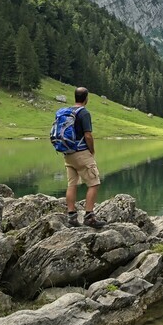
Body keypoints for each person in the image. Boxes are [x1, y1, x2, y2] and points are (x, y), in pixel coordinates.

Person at [64, 87, 104, 228]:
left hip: (68, 154)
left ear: (75, 97)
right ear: (86, 98)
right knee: (94, 183)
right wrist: (92, 150)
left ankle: (71, 216)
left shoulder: (68, 112)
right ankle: (89, 216)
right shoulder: (84, 113)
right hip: (81, 153)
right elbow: (88, 135)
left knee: (72, 184)